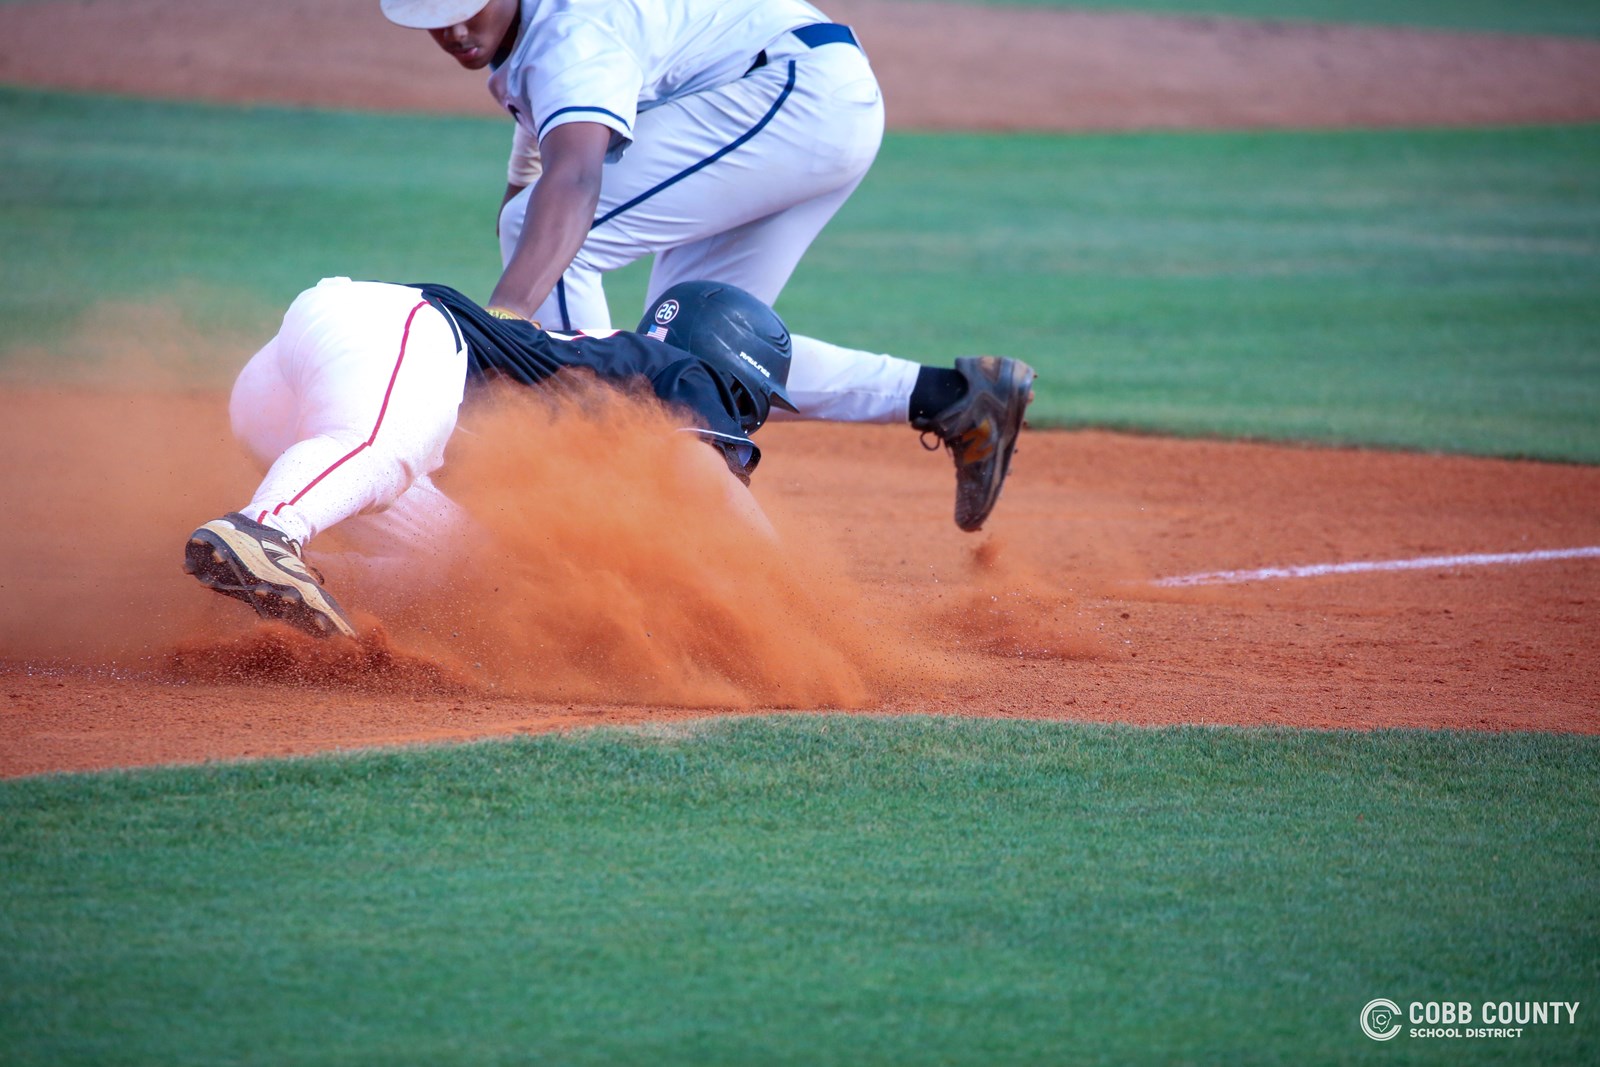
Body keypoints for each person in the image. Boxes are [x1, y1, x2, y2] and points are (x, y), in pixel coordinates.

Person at [379, 0, 1036, 532]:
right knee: (686, 359)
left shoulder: (570, 34)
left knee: (541, 235)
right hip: (807, 97)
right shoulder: (537, 31)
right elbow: (538, 154)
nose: (455, 27)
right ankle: (956, 398)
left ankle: (597, 498)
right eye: (432, 17)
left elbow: (574, 179)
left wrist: (506, 327)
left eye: (467, 7)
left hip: (795, 97)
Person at [184, 276, 795, 638]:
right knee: (385, 448)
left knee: (487, 572)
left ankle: (271, 593)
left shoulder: (615, 398)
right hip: (400, 327)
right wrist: (796, 605)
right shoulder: (689, 376)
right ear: (737, 381)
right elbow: (706, 484)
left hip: (295, 385)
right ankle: (265, 531)